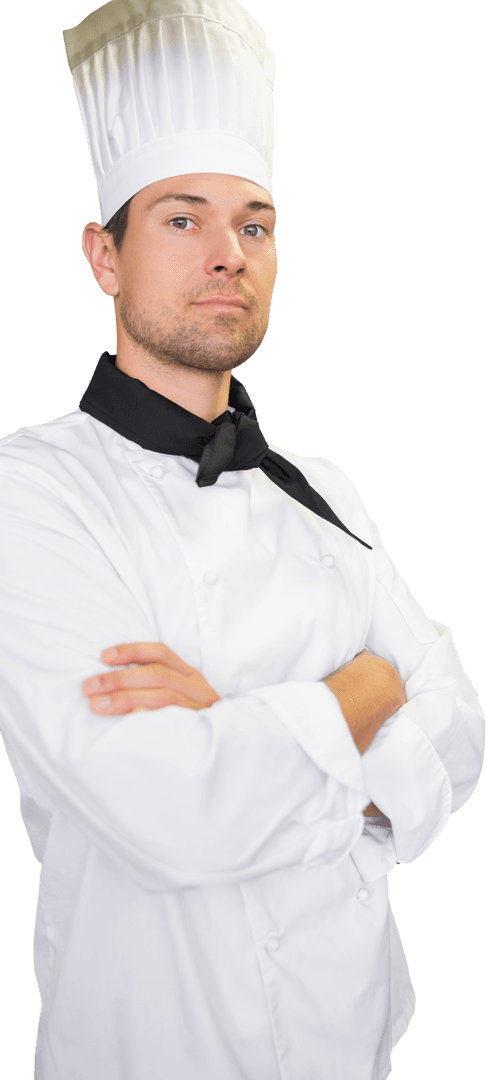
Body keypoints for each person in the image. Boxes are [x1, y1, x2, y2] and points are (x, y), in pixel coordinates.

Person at [0, 2, 483, 1078]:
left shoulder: (325, 490)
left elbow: (460, 727)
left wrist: (235, 725)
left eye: (255, 224)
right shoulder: (27, 494)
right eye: (183, 219)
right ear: (103, 256)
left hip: (349, 1046)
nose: (228, 253)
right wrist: (357, 698)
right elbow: (170, 811)